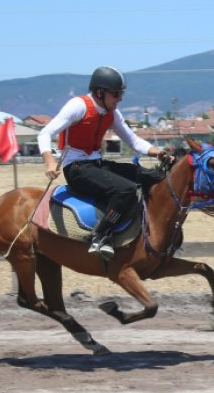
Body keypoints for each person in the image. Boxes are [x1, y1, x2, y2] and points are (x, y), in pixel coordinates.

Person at [38, 66, 168, 259]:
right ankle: (100, 236)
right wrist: (49, 162)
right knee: (126, 190)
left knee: (150, 176)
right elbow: (45, 133)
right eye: (116, 94)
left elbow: (133, 141)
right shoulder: (78, 106)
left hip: (97, 164)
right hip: (76, 169)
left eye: (121, 94)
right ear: (100, 92)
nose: (120, 99)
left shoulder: (112, 113)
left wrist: (156, 151)